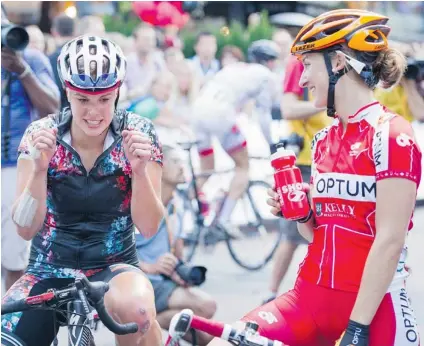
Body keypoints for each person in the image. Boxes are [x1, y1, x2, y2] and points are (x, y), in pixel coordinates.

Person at [208, 9, 421, 346]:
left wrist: (358, 328)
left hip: (373, 310)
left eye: (307, 65)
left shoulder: (392, 134)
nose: (302, 79)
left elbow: (390, 240)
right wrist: (303, 213)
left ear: (337, 62)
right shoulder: (323, 140)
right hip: (308, 300)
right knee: (225, 342)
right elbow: (314, 234)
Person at [1, 35, 165, 346]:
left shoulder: (139, 134)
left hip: (113, 266)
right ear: (67, 92)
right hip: (48, 267)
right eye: (82, 100)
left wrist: (140, 171)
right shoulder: (40, 133)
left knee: (139, 313)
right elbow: (24, 229)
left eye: (104, 99)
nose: (94, 112)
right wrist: (39, 169)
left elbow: (149, 226)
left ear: (117, 92)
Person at [1, 8, 60, 292]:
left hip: (15, 165)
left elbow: (53, 108)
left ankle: (9, 328)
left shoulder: (31, 57)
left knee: (15, 255)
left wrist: (21, 70)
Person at [191, 40, 279, 228]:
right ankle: (224, 219)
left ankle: (182, 201)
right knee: (243, 166)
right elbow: (263, 115)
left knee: (207, 168)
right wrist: (272, 144)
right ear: (269, 62)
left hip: (198, 111)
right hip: (220, 114)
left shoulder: (235, 67)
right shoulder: (265, 76)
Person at [136, 144, 216, 346]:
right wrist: (151, 267)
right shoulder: (140, 202)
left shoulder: (177, 204)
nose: (182, 167)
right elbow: (117, 249)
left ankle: (148, 324)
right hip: (142, 281)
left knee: (206, 336)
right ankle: (145, 324)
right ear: (158, 168)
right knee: (205, 306)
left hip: (163, 281)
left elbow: (177, 248)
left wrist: (180, 272)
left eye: (183, 161)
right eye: (175, 162)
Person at [120, 23, 167, 105]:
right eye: (146, 39)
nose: (150, 43)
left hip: (156, 105)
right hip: (132, 106)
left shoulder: (158, 61)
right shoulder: (126, 63)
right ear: (135, 41)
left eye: (152, 39)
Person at [49, 13, 76, 109]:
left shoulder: (52, 58)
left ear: (54, 32)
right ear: (74, 31)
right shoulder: (82, 54)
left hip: (61, 113)